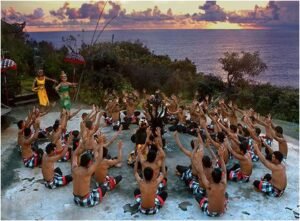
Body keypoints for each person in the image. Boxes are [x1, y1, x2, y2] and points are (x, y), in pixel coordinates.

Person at [194, 145, 228, 217]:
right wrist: (221, 157)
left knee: (197, 195)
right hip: (222, 212)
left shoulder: (209, 186)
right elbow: (224, 171)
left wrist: (199, 159)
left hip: (210, 213)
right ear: (221, 177)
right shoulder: (223, 184)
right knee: (226, 194)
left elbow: (201, 172)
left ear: (212, 177)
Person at [72, 143, 108, 207]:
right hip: (85, 201)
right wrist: (101, 143)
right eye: (91, 161)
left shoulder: (74, 169)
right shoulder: (88, 172)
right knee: (104, 188)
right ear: (88, 162)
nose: (92, 163)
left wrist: (80, 145)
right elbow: (99, 159)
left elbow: (74, 154)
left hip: (75, 199)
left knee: (92, 188)